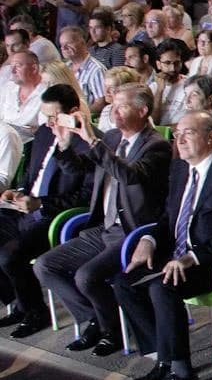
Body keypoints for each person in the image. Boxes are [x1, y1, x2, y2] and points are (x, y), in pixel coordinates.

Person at [113, 111, 212, 380]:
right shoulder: (180, 168)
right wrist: (149, 239)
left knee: (162, 287)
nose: (178, 140)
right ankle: (163, 359)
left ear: (211, 137)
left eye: (188, 133)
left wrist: (192, 257)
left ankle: (182, 372)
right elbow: (169, 216)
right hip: (177, 253)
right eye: (177, 133)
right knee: (123, 281)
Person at [34, 84, 172, 357]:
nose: (114, 112)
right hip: (103, 227)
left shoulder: (156, 146)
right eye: (113, 105)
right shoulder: (110, 137)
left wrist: (93, 142)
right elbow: (80, 169)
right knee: (46, 266)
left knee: (87, 276)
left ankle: (112, 330)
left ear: (143, 111)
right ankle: (100, 319)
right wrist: (64, 144)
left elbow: (130, 175)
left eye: (122, 106)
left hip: (130, 232)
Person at [0, 85, 94, 338]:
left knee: (10, 255)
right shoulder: (43, 133)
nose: (50, 123)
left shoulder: (86, 143)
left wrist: (41, 204)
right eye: (46, 116)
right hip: (25, 208)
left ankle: (35, 311)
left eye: (55, 117)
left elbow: (85, 196)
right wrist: (17, 192)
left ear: (72, 112)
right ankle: (16, 299)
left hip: (56, 216)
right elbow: (32, 176)